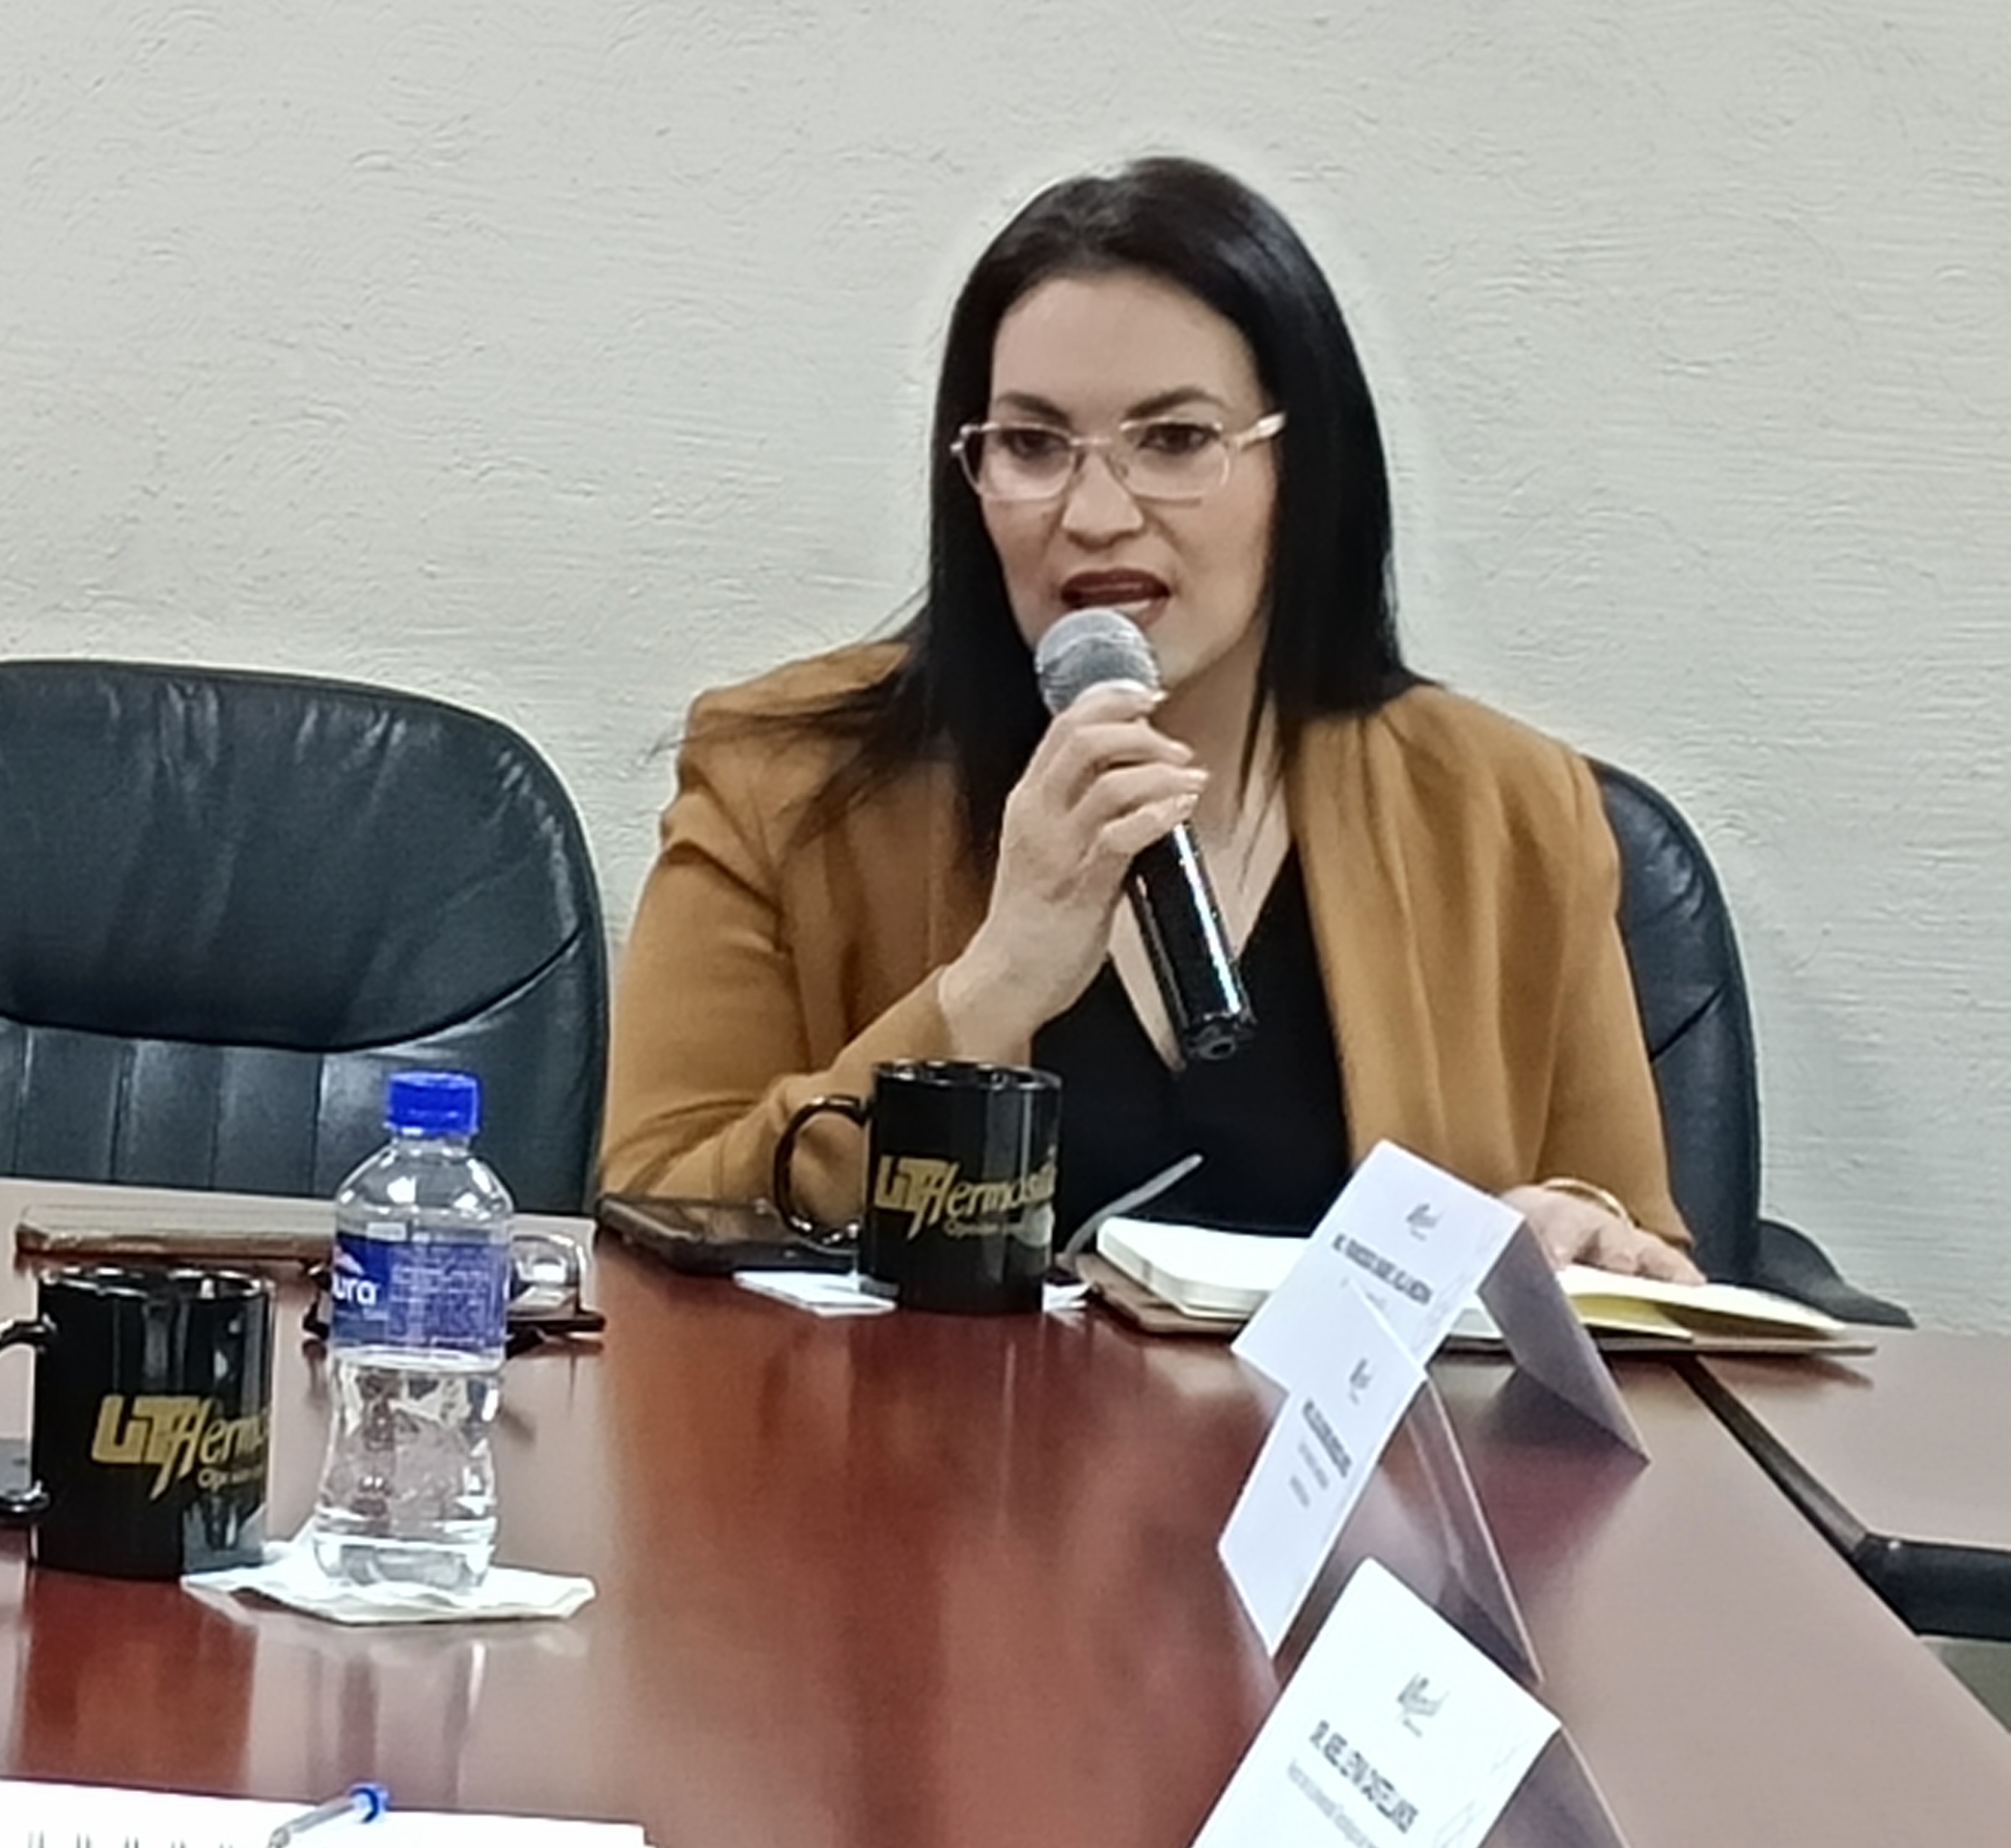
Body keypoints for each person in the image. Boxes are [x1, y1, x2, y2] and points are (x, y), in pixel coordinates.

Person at [597, 154, 1701, 1280]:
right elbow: (651, 1217)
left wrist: (1575, 1231)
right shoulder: (778, 781)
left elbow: (1645, 1265)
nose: (1094, 513)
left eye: (1174, 441)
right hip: (907, 1405)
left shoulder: (1509, 810)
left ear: (1304, 467)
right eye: (1032, 447)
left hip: (1353, 1411)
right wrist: (988, 991)